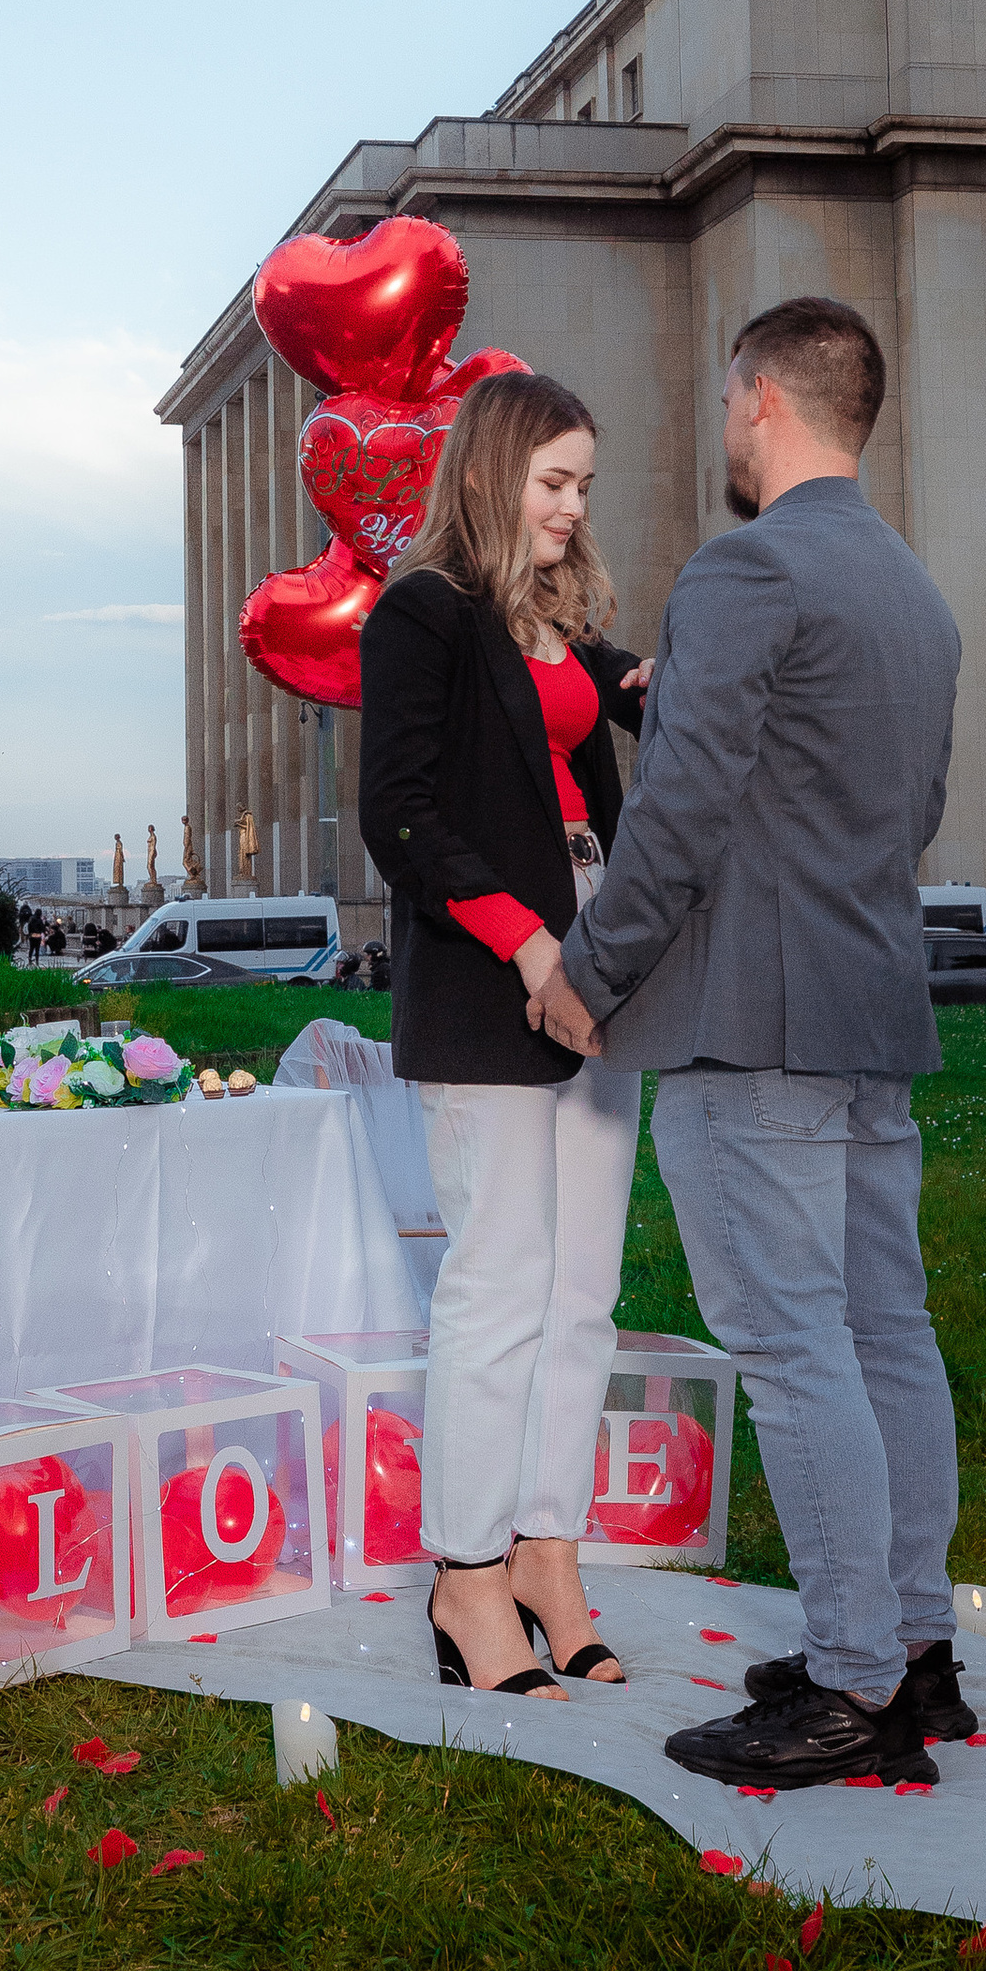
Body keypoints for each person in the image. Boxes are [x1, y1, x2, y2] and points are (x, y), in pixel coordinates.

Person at [529, 297, 966, 1791]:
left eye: (729, 403)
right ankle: (914, 1647)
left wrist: (589, 974)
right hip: (870, 1011)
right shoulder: (914, 594)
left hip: (752, 1024)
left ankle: (852, 1686)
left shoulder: (746, 569)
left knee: (793, 1346)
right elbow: (893, 812)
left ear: (761, 396)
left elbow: (683, 817)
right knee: (887, 1331)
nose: (725, 426)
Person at [358, 369, 654, 1701]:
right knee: (498, 1287)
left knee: (582, 1293)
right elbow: (403, 816)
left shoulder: (562, 630)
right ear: (490, 474)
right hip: (493, 988)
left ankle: (548, 1551)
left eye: (585, 484)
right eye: (553, 482)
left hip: (599, 984)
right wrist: (534, 947)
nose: (573, 506)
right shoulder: (423, 612)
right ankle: (466, 1574)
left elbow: (646, 713)